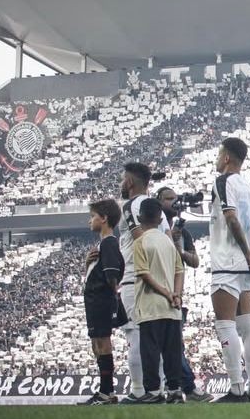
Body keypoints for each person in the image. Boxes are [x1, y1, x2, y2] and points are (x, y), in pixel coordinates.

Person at [209, 137, 250, 403]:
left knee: (225, 325)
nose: (217, 158)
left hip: (227, 261)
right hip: (245, 264)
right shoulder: (247, 186)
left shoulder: (224, 182)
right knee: (247, 326)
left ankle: (235, 388)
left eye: (220, 153)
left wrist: (246, 255)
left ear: (227, 158)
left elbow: (231, 217)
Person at [111, 162, 169, 402]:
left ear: (130, 182)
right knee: (156, 336)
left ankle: (137, 391)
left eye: (123, 179)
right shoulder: (158, 211)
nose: (121, 184)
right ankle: (159, 390)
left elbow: (139, 238)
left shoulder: (131, 206)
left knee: (134, 333)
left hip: (136, 276)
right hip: (158, 275)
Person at [156, 186, 209, 402]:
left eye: (175, 199)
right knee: (169, 345)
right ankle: (181, 387)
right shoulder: (154, 228)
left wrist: (180, 250)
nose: (173, 203)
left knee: (173, 345)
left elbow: (195, 261)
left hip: (176, 292)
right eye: (168, 199)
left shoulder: (182, 231)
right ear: (158, 201)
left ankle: (181, 387)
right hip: (159, 289)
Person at [132, 198, 185, 403]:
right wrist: (176, 295)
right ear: (161, 217)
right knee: (172, 351)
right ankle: (174, 390)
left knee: (151, 351)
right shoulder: (167, 241)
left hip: (151, 305)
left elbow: (144, 274)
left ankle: (154, 391)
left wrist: (165, 293)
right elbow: (180, 271)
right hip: (172, 307)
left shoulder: (140, 242)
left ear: (139, 217)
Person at [78, 199, 125, 405]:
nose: (90, 221)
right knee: (97, 344)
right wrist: (89, 264)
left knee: (103, 344)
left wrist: (113, 297)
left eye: (93, 216)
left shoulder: (109, 243)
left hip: (101, 300)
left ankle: (107, 392)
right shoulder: (102, 244)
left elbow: (112, 275)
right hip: (95, 300)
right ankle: (105, 391)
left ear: (104, 218)